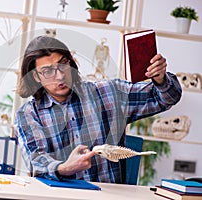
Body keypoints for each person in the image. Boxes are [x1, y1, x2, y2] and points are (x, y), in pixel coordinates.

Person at [14, 36, 182, 183]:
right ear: (35, 76)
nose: (59, 75)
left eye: (62, 64)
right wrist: (65, 168)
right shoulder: (28, 115)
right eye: (48, 71)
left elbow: (166, 98)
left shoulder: (108, 93)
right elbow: (36, 161)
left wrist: (160, 79)